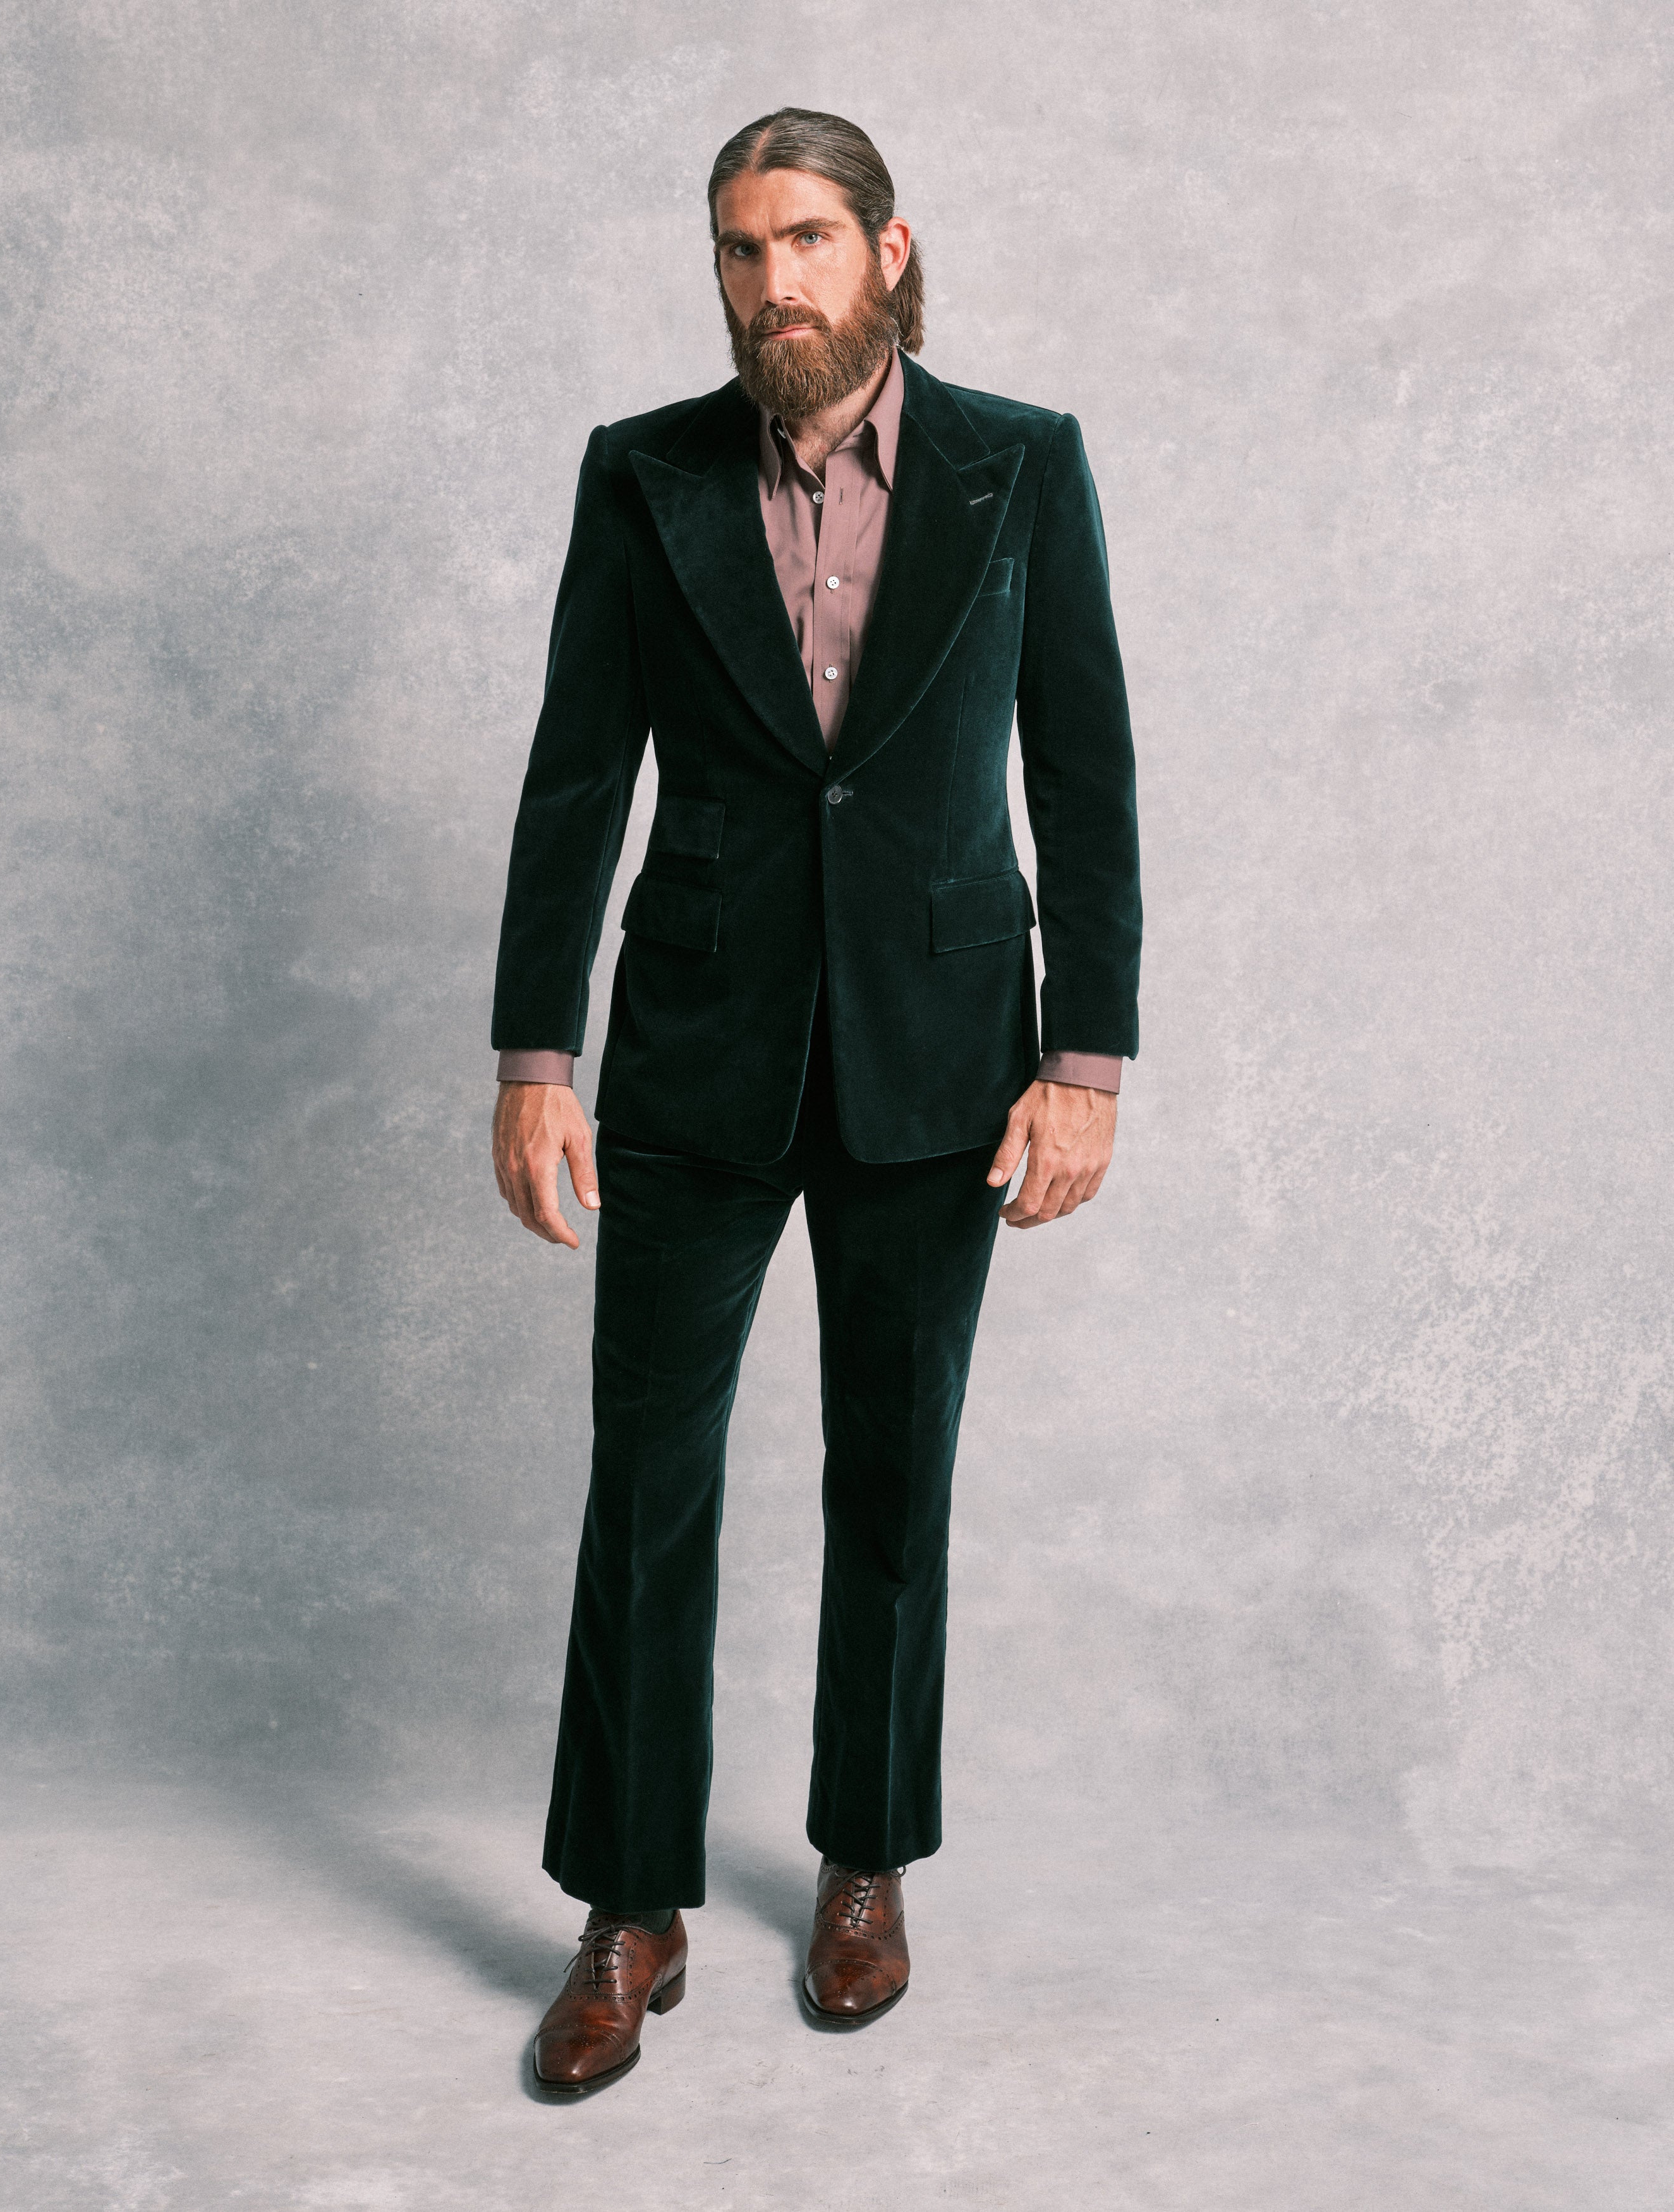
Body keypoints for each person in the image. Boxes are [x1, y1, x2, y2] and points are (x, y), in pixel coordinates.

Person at [490, 106, 1140, 2095]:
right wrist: (534, 1059)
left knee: (894, 1478)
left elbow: (1086, 771)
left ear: (887, 251)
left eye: (805, 240)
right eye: (738, 246)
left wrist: (1087, 1062)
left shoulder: (1022, 465)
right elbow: (575, 775)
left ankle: (866, 1859)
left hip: (941, 1056)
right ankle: (631, 1905)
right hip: (694, 1050)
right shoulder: (645, 474)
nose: (770, 281)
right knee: (646, 1484)